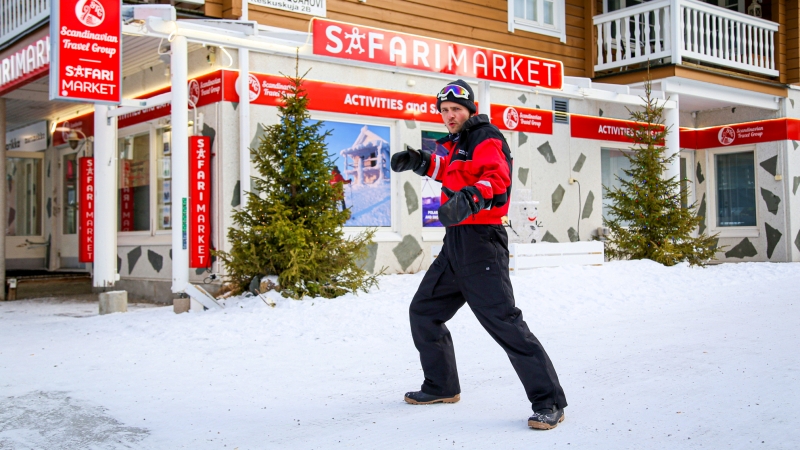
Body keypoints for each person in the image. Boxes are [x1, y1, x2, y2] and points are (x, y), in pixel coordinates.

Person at [390, 79, 567, 430]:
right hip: (455, 244)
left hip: (481, 243)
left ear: (470, 109)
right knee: (424, 312)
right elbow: (450, 171)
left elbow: (497, 179)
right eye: (444, 110)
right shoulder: (458, 144)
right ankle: (441, 386)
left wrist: (472, 198)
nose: (449, 115)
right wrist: (421, 161)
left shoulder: (484, 137)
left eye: (455, 109)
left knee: (505, 323)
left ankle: (549, 402)